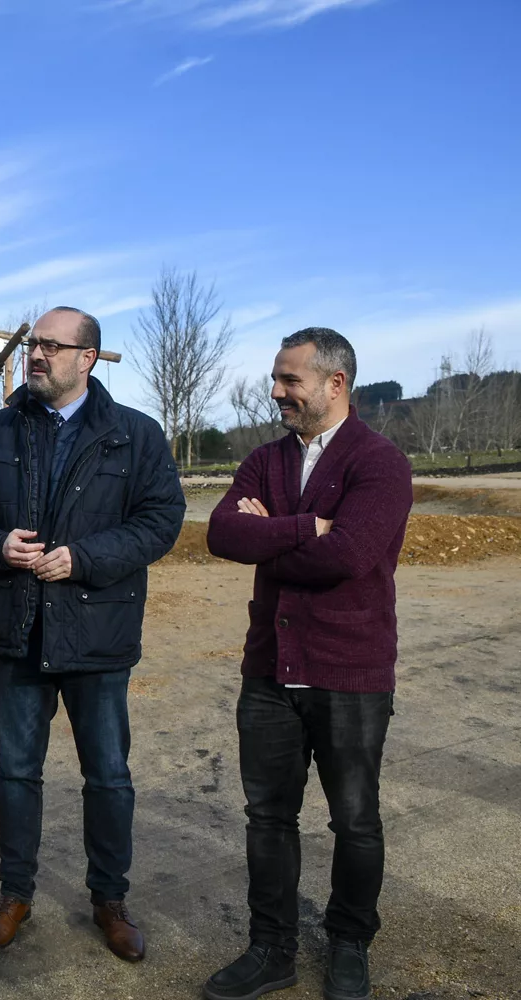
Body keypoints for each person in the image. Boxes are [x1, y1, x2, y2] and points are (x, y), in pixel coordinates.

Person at [0, 306, 185, 961]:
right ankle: (14, 894)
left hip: (97, 635)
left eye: (52, 345)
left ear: (89, 358)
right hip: (19, 632)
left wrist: (85, 558)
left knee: (107, 776)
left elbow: (161, 519)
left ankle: (110, 901)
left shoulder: (134, 435)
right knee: (16, 773)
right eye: (33, 343)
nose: (36, 354)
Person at [202, 329, 412, 1000]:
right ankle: (272, 950)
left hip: (350, 672)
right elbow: (221, 533)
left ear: (334, 384)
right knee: (268, 818)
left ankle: (349, 942)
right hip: (268, 672)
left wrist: (272, 534)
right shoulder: (265, 459)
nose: (276, 391)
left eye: (290, 380)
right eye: (277, 377)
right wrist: (304, 527)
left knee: (354, 819)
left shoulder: (379, 463)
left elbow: (347, 557)